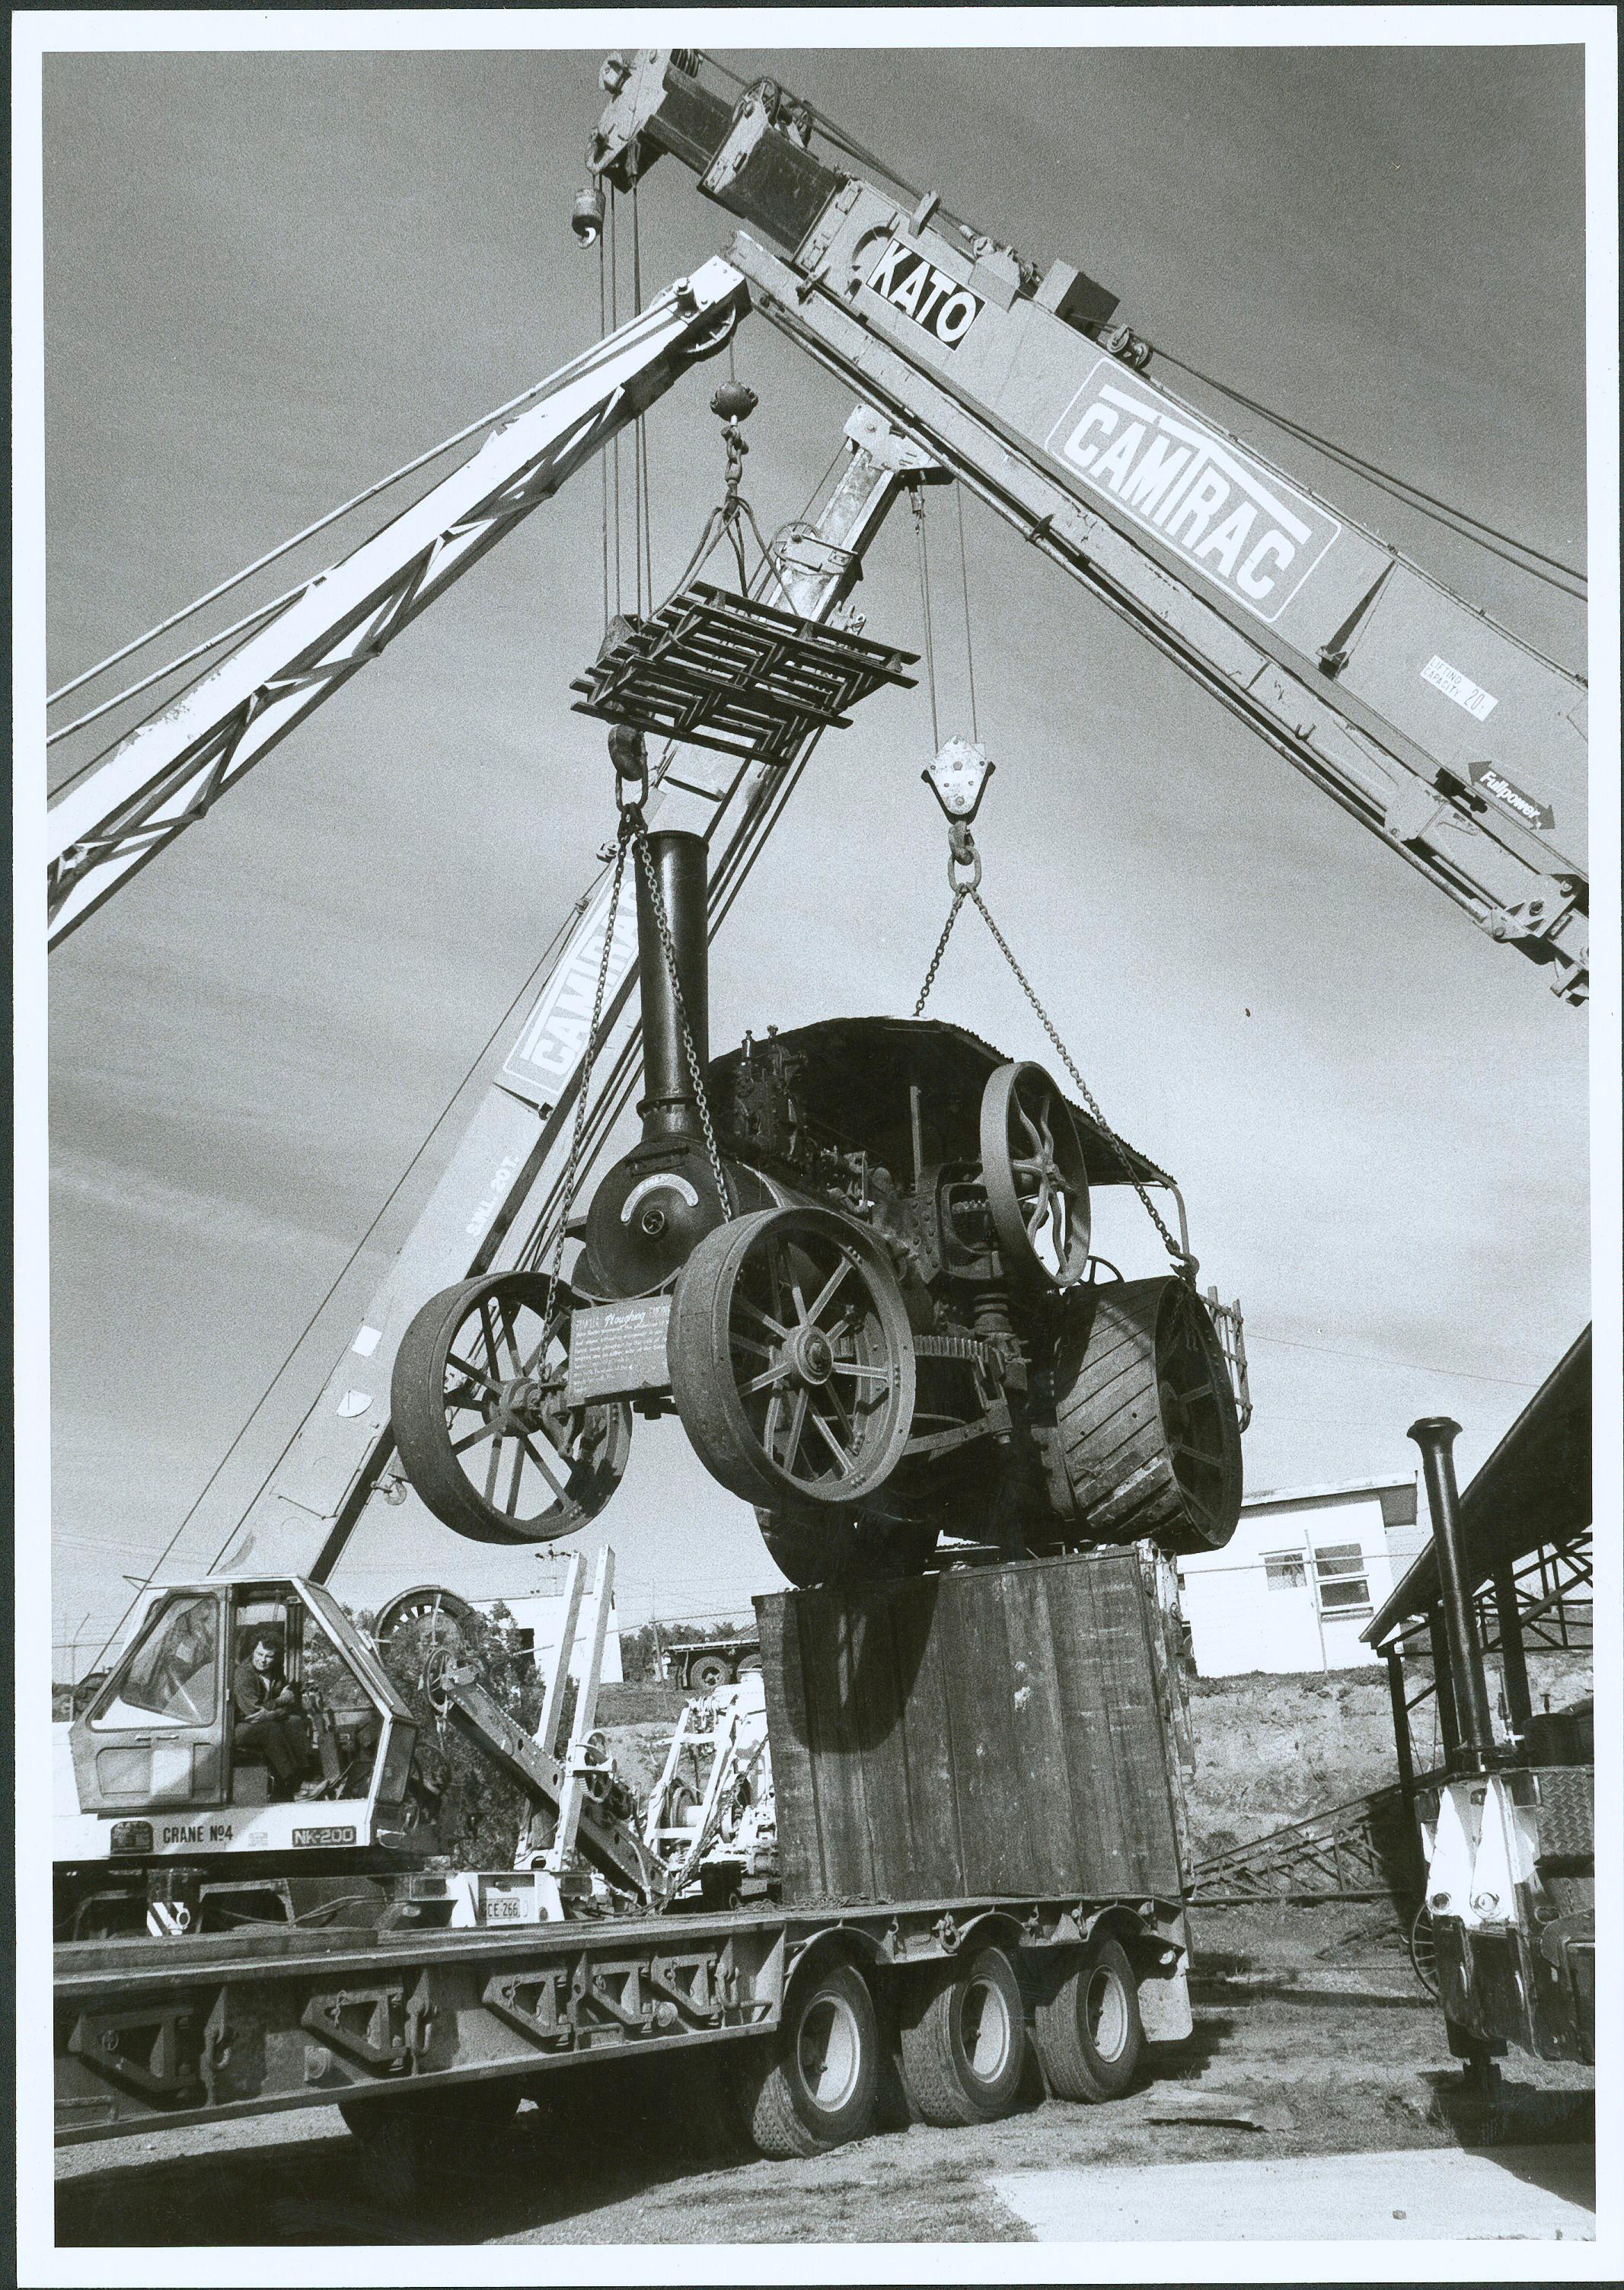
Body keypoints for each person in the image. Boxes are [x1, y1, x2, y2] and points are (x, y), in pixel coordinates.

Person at [232, 1632, 311, 1797]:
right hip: (240, 1728)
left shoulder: (275, 1671)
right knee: (271, 1730)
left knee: (294, 1721)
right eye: (260, 1654)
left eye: (269, 1656)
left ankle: (305, 1775)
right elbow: (253, 1712)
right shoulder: (243, 1674)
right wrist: (281, 1702)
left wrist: (276, 1710)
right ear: (253, 1651)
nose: (263, 1660)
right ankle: (293, 1784)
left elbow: (289, 1704)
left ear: (275, 1657)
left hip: (265, 1720)